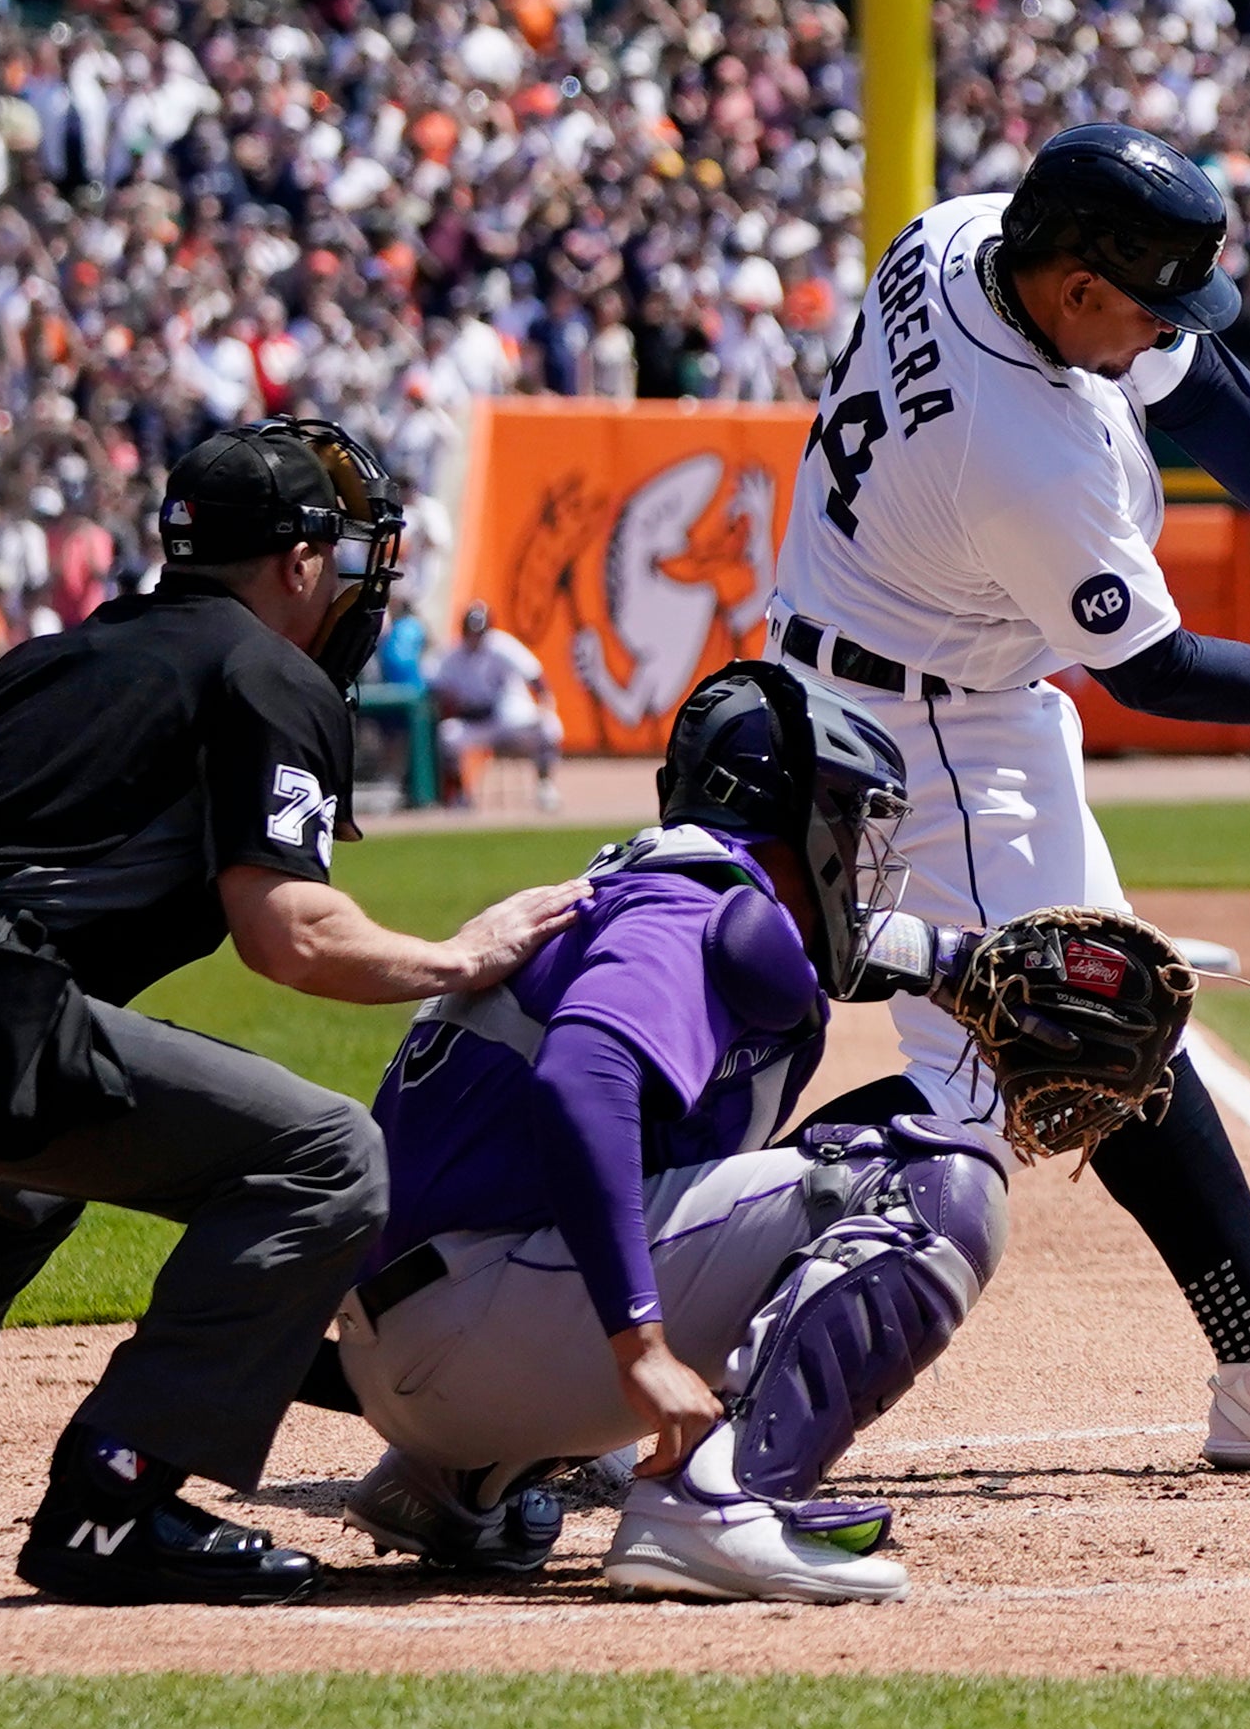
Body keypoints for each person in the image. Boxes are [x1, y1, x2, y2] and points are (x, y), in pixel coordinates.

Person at [0, 419, 585, 1605]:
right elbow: (290, 934)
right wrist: (458, 954)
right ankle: (117, 1499)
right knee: (325, 1156)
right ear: (302, 560)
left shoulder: (54, 655)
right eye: (356, 553)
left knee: (20, 1176)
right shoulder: (269, 669)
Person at [765, 121, 1250, 1471]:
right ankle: (633, 1354)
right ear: (1078, 286)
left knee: (1112, 1023)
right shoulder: (1024, 445)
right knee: (1041, 1059)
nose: (1162, 327)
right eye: (1147, 302)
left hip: (874, 676)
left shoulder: (970, 233)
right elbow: (1156, 669)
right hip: (932, 746)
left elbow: (1206, 385)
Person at [328, 661, 1185, 1602]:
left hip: (428, 1345)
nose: (860, 846)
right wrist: (640, 1349)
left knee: (754, 1152)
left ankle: (467, 1482)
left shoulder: (646, 886)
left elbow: (800, 956)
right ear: (799, 812)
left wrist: (954, 959)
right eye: (850, 816)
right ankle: (723, 1501)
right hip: (476, 1332)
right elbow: (585, 1080)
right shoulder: (685, 909)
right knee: (944, 1175)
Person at [428, 600, 564, 812]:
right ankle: (459, 794)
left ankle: (545, 786)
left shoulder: (502, 646)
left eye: (479, 633)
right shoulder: (452, 655)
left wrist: (546, 702)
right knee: (448, 734)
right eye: (470, 633)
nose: (475, 638)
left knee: (549, 725)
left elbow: (535, 675)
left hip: (508, 717)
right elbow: (433, 684)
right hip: (476, 724)